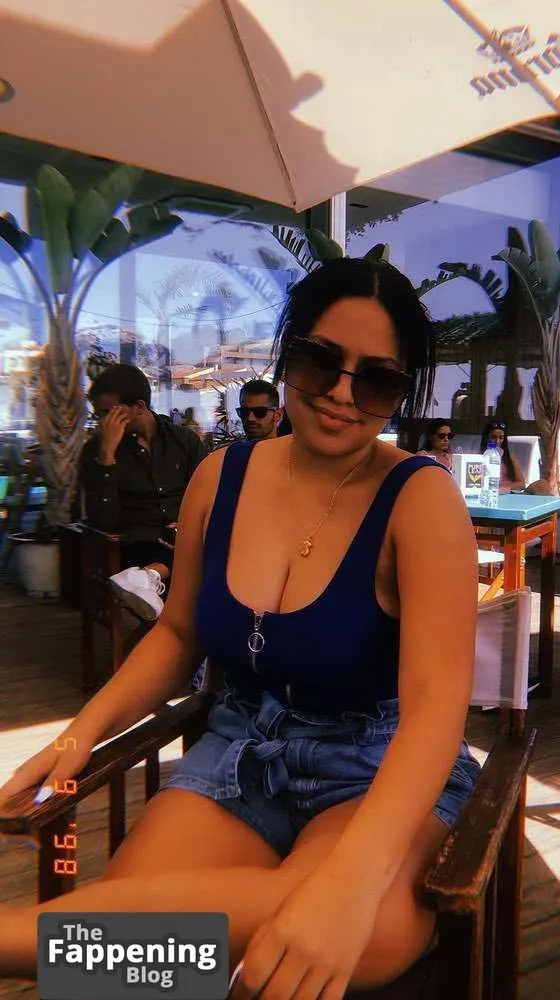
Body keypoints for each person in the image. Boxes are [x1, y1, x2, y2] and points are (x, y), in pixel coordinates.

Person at [0, 258, 481, 998]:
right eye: (320, 360)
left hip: (377, 760)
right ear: (287, 355)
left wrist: (352, 881)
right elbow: (177, 634)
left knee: (362, 929)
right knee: (133, 966)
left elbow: (436, 705)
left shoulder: (419, 499)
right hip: (243, 749)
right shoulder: (219, 477)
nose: (341, 393)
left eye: (377, 380)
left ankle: (13, 940)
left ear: (402, 391)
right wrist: (76, 738)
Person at [79, 364, 208, 620]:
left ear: (139, 407)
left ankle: (149, 576)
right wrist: (107, 458)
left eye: (107, 413)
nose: (102, 422)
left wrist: (189, 522)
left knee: (216, 542)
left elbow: (208, 493)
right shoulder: (96, 450)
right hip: (135, 544)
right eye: (98, 414)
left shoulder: (183, 441)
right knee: (202, 557)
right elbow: (102, 520)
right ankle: (148, 575)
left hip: (186, 535)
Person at [479, 421, 526, 492]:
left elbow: (522, 484)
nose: (497, 441)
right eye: (493, 437)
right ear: (487, 438)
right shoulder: (480, 458)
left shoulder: (511, 458)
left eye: (501, 438)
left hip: (508, 492)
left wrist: (505, 487)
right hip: (489, 492)